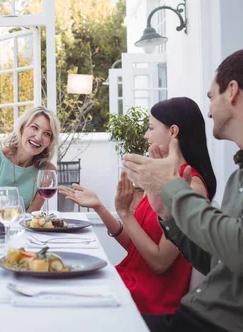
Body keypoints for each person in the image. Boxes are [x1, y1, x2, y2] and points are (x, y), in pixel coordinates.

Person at [123, 48, 243, 332]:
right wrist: (168, 215)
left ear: (232, 91)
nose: (208, 110)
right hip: (198, 314)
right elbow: (216, 260)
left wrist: (172, 188)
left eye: (210, 97)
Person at [60, 97, 216, 315]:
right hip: (127, 284)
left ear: (173, 131)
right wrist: (100, 208)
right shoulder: (160, 177)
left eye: (151, 128)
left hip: (150, 303)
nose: (146, 135)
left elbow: (159, 262)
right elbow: (137, 251)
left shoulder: (192, 185)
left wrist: (126, 213)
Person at [0, 106, 60, 212]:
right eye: (34, 127)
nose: (39, 137)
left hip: (22, 228)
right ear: (21, 128)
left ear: (50, 141)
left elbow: (30, 218)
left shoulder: (47, 170)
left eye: (47, 134)